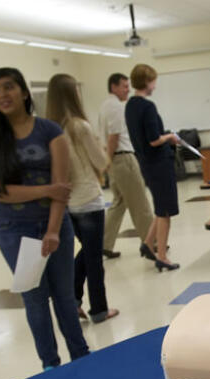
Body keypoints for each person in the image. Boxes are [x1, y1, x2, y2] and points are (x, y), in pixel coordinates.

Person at [0, 67, 88, 369]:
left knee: (65, 297)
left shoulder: (50, 131)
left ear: (24, 92)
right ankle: (50, 366)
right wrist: (47, 189)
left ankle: (82, 358)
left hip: (55, 227)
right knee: (35, 300)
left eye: (9, 87)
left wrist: (52, 231)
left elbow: (61, 191)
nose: (2, 94)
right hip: (14, 231)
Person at [45, 73, 119, 324]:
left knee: (89, 251)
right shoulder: (79, 126)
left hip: (67, 204)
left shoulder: (49, 128)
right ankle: (99, 309)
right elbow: (101, 162)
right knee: (94, 257)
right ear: (72, 94)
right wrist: (101, 148)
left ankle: (74, 300)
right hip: (88, 199)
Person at [125, 63, 181, 271]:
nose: (155, 86)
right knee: (165, 211)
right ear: (147, 81)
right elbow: (154, 140)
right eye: (153, 81)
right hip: (159, 163)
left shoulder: (131, 105)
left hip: (145, 163)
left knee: (159, 208)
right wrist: (170, 137)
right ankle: (162, 256)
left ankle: (148, 244)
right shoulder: (148, 107)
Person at [97, 72, 154, 259]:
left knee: (119, 202)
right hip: (122, 158)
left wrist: (107, 162)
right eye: (124, 86)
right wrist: (107, 162)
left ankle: (103, 244)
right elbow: (114, 137)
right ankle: (151, 242)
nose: (127, 89)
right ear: (113, 87)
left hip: (114, 160)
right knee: (140, 203)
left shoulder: (105, 106)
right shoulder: (115, 107)